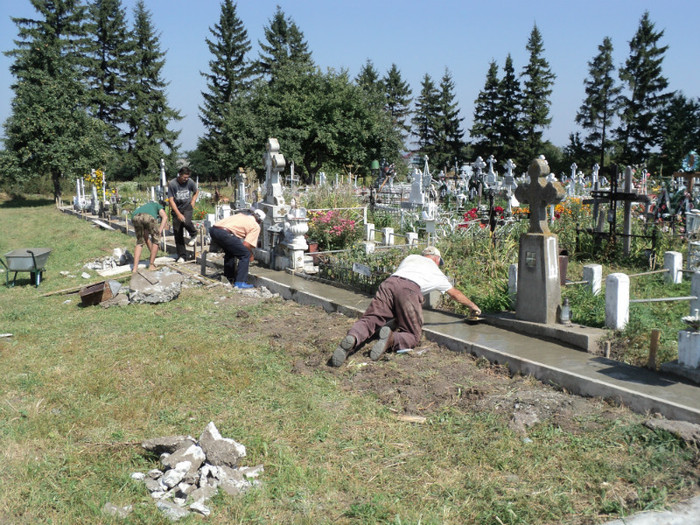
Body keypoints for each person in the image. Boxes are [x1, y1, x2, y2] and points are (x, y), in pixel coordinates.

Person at [331, 246, 481, 366]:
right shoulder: (436, 272)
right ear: (436, 259)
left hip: (389, 284)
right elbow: (455, 294)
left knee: (370, 319)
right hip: (409, 290)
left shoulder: (410, 258)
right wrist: (473, 307)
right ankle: (391, 339)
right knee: (413, 335)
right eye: (439, 262)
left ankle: (353, 337)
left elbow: (398, 290)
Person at [209, 208, 266, 289]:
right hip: (225, 233)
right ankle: (240, 282)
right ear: (260, 221)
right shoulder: (255, 225)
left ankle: (229, 277)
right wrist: (251, 254)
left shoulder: (241, 215)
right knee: (245, 254)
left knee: (230, 252)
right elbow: (246, 244)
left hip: (214, 230)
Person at [167, 166, 199, 262]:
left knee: (186, 221)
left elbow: (196, 191)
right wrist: (178, 214)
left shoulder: (190, 182)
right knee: (178, 232)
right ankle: (182, 256)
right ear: (179, 175)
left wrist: (193, 200)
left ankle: (194, 233)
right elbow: (171, 201)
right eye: (184, 177)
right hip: (177, 208)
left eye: (187, 177)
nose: (186, 179)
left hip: (187, 207)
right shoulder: (173, 184)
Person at [131, 200, 168, 273]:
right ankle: (151, 265)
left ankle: (134, 268)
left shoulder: (147, 206)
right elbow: (165, 217)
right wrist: (159, 231)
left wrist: (152, 252)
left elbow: (146, 237)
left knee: (139, 242)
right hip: (148, 217)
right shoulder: (158, 205)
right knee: (156, 240)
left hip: (135, 217)